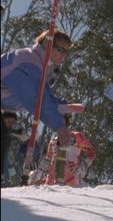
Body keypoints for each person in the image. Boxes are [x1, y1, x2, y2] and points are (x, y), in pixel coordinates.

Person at [1, 29, 73, 174]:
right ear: (47, 44)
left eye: (66, 52)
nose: (63, 55)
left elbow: (45, 96)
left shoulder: (40, 66)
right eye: (60, 49)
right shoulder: (28, 61)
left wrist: (63, 106)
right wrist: (59, 126)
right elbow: (35, 99)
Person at [30, 115, 96, 186]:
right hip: (52, 178)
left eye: (62, 120)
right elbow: (49, 159)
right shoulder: (53, 140)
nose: (58, 122)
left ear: (67, 121)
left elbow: (91, 154)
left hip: (71, 176)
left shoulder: (76, 136)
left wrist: (83, 165)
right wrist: (40, 173)